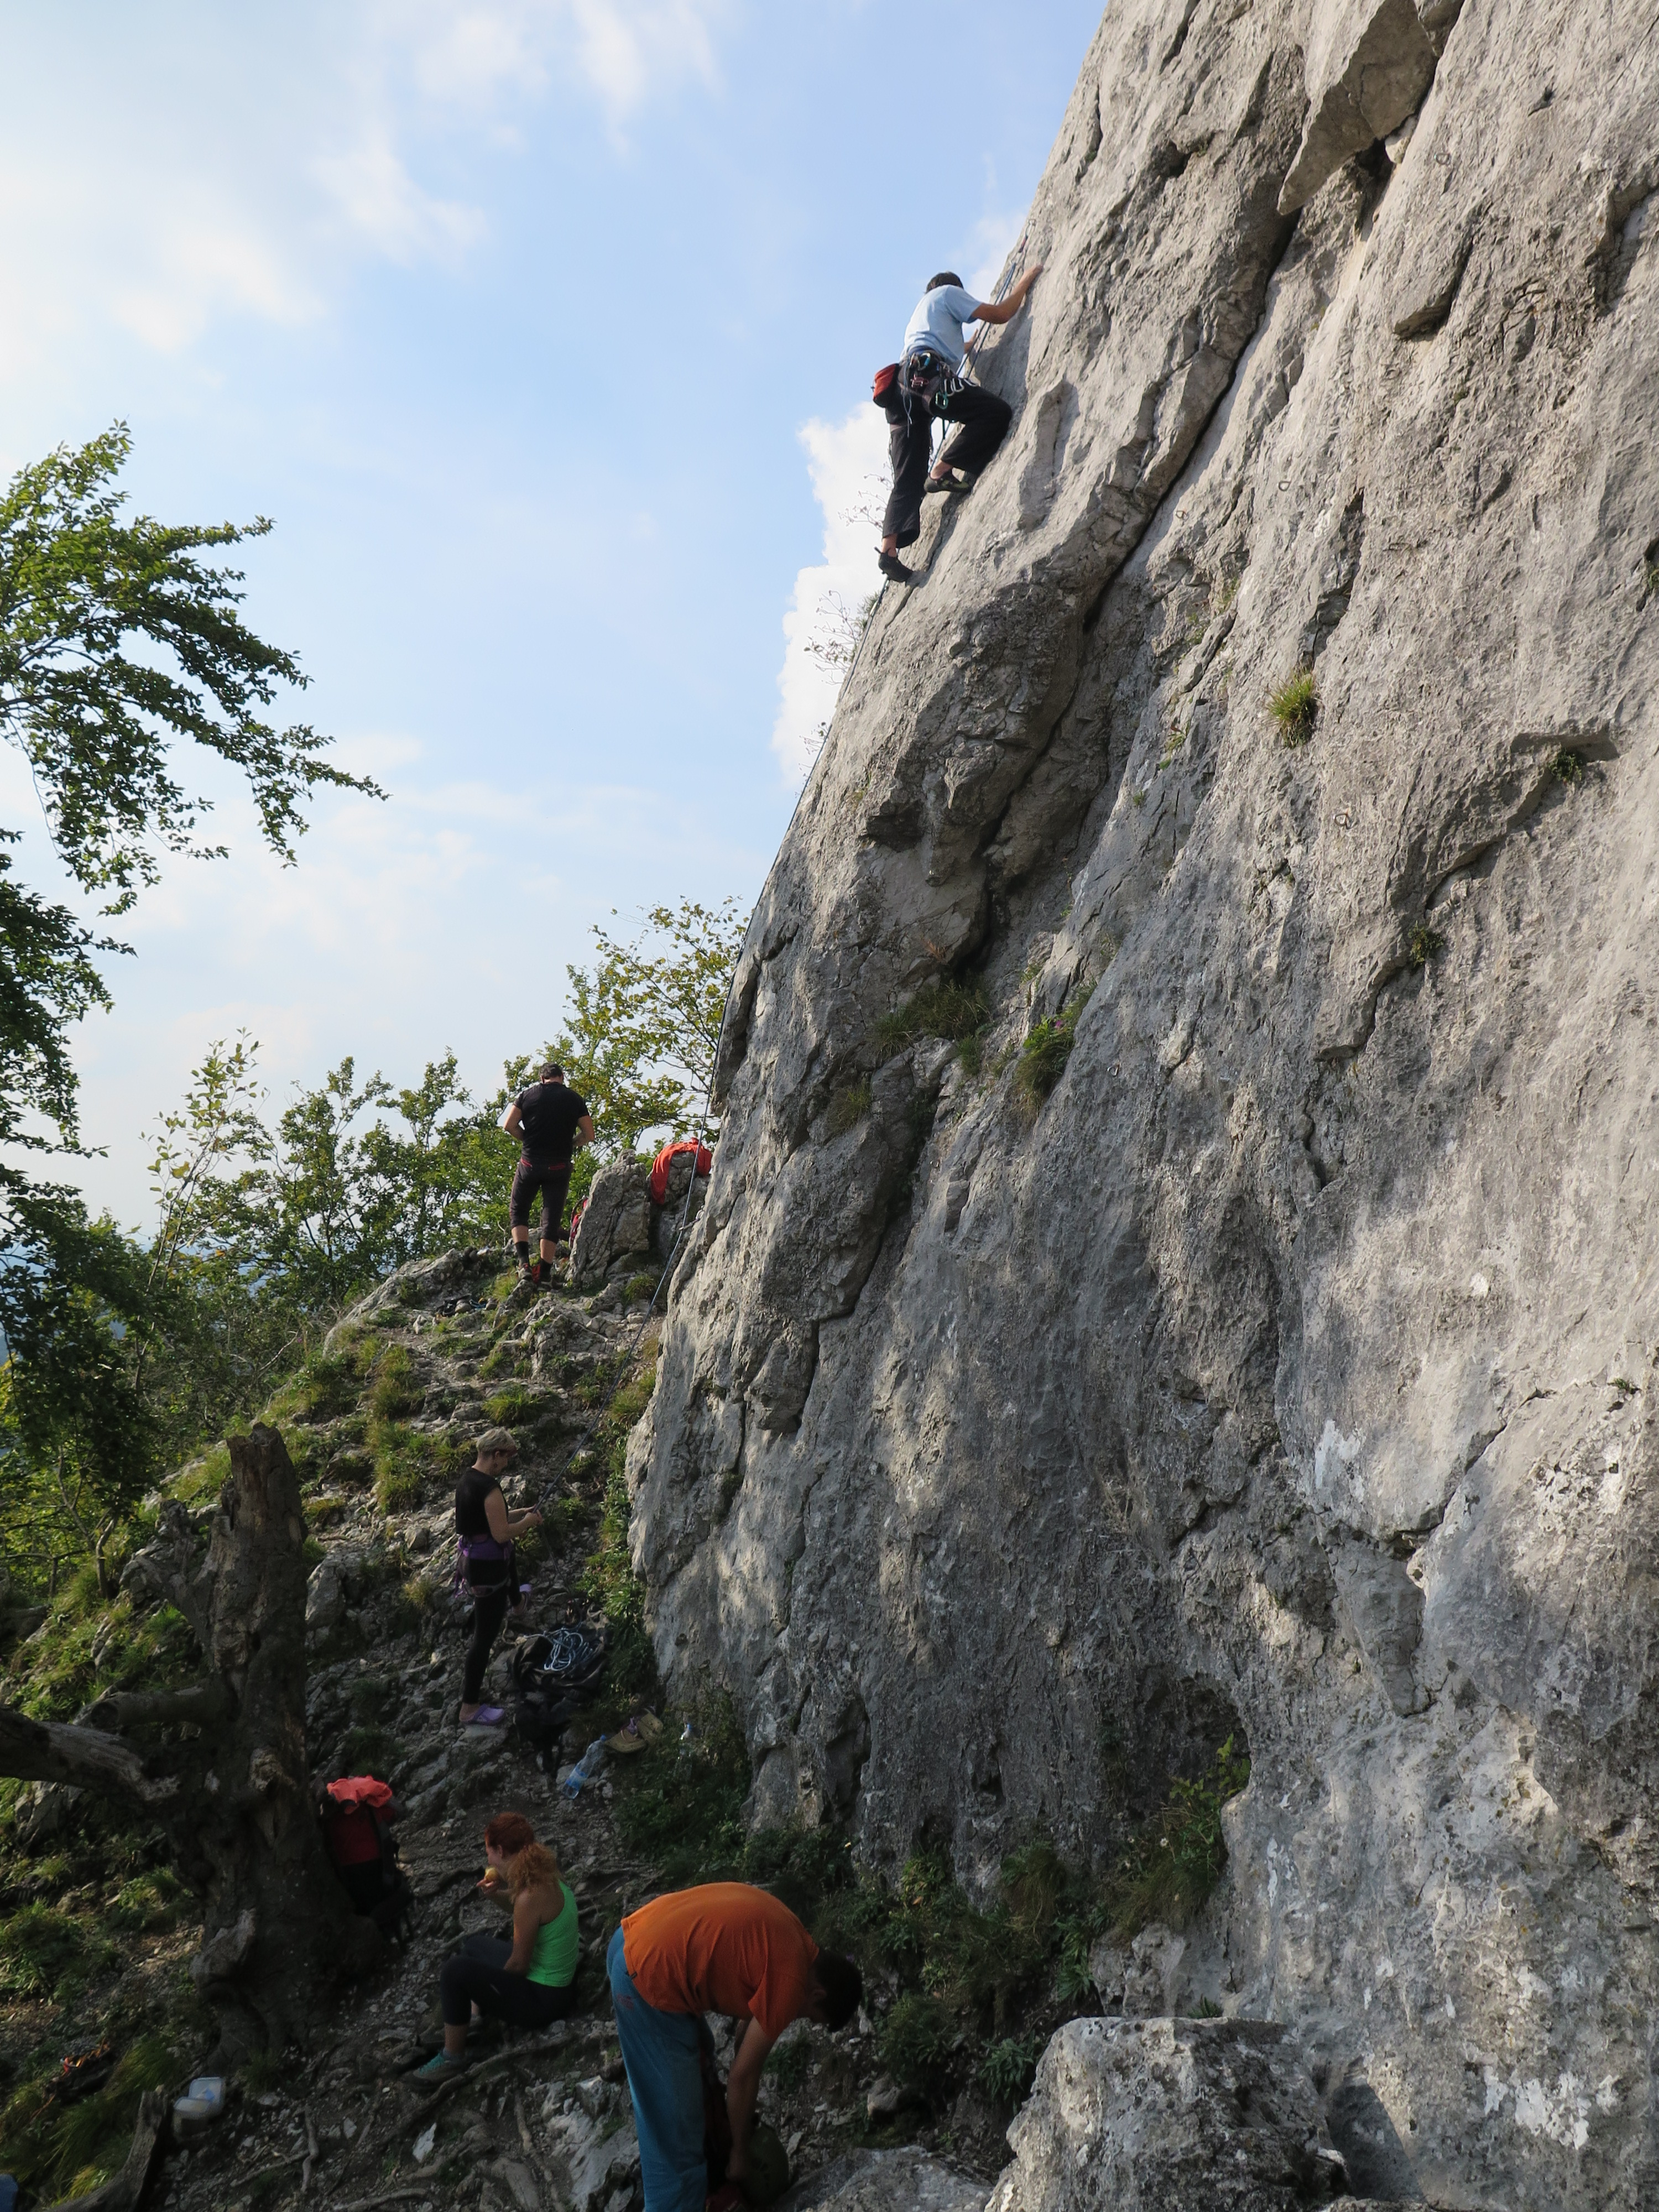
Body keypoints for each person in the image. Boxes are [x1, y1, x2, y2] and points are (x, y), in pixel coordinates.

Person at [608, 1881, 863, 2210]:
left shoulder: (796, 1940)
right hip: (646, 1975)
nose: (800, 2019)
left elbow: (745, 2038)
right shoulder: (793, 1983)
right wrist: (740, 2154)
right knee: (678, 2151)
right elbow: (743, 2076)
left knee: (702, 2068)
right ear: (818, 1995)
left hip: (633, 1937)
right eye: (812, 2017)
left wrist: (739, 2121)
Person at [878, 263, 1045, 584]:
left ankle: (889, 551)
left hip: (901, 392)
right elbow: (1001, 314)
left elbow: (949, 346)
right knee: (994, 413)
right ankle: (942, 470)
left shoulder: (921, 317)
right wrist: (1026, 280)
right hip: (926, 376)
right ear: (954, 288)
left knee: (908, 477)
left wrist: (968, 345)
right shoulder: (948, 293)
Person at [415, 1811, 580, 2080]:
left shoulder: (529, 1897)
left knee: (454, 1971)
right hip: (556, 1984)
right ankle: (472, 2019)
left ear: (500, 1851)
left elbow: (518, 1965)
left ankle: (452, 2057)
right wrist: (495, 1895)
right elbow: (525, 1911)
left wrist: (487, 1986)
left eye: (489, 1852)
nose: (489, 1860)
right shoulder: (545, 1875)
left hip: (545, 2000)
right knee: (474, 1945)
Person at [455, 1427, 542, 1728]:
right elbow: (502, 1533)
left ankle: (517, 1603)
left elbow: (492, 1520)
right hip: (487, 1572)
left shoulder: (469, 1480)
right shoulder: (490, 1489)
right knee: (484, 1638)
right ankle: (469, 1707)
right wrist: (528, 1523)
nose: (506, 1465)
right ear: (496, 1455)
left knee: (510, 1555)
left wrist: (521, 1513)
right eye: (505, 1459)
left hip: (473, 1560)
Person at [503, 1063, 594, 1286]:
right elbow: (589, 1135)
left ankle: (524, 1265)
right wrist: (571, 1144)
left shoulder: (527, 1095)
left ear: (541, 1078)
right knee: (551, 1221)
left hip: (530, 1164)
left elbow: (509, 1125)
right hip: (558, 1168)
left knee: (519, 1211)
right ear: (562, 1077)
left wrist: (528, 1139)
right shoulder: (574, 1099)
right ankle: (544, 1274)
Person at [318, 1773, 410, 1937]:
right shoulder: (367, 1795)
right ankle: (388, 1929)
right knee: (400, 1892)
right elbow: (395, 1813)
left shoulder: (327, 1811)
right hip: (378, 1873)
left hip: (349, 1881)